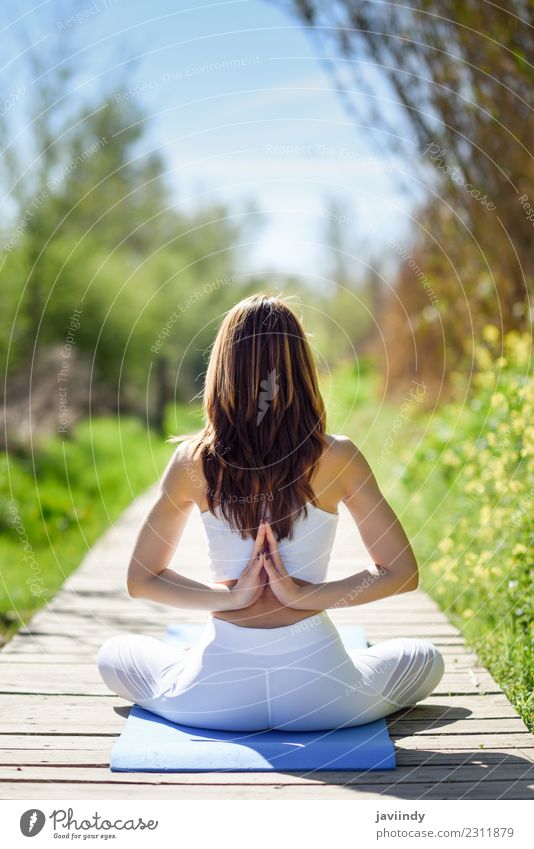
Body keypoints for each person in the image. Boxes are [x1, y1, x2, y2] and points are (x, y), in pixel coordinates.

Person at [97, 293, 444, 731]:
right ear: (302, 370)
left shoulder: (192, 460)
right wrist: (303, 597)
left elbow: (141, 580)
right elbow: (402, 573)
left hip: (212, 699)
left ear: (223, 369)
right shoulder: (339, 457)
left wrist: (232, 599)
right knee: (425, 657)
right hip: (324, 697)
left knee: (114, 653)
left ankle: (195, 664)